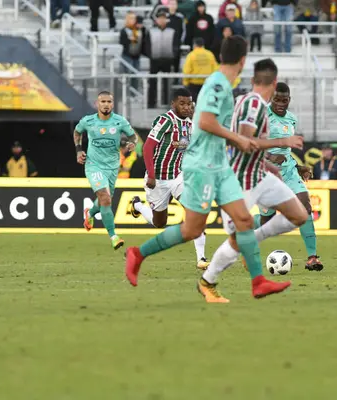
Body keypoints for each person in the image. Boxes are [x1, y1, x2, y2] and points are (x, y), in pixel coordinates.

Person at [125, 36, 291, 301]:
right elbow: (206, 122)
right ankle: (138, 253)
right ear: (243, 59)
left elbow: (224, 127)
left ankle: (258, 281)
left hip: (220, 165)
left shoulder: (223, 85)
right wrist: (240, 139)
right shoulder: (216, 85)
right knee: (191, 229)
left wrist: (262, 159)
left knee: (244, 220)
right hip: (202, 166)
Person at [200, 60, 309, 302]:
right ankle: (208, 281)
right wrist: (284, 142)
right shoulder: (253, 104)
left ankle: (253, 239)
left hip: (260, 174)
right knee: (234, 238)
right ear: (274, 82)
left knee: (300, 215)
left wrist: (270, 166)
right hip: (240, 180)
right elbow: (245, 142)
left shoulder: (251, 103)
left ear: (253, 80)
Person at [129, 88, 209, 270]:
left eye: (189, 103)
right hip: (157, 179)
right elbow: (148, 147)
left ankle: (201, 259)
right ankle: (137, 205)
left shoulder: (191, 124)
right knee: (160, 223)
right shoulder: (165, 121)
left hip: (178, 177)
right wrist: (150, 174)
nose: (186, 107)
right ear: (173, 104)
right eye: (182, 103)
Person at [256, 82, 323, 271]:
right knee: (266, 221)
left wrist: (298, 166)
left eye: (284, 100)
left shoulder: (291, 119)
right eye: (277, 99)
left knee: (305, 207)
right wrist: (269, 156)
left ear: (289, 100)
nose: (280, 104)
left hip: (288, 171)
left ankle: (312, 258)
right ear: (271, 98)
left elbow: (284, 150)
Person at [76, 91, 138, 250]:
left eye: (109, 101)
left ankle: (89, 213)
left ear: (113, 104)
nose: (106, 104)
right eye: (102, 101)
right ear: (97, 104)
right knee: (105, 197)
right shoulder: (88, 121)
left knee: (105, 199)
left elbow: (133, 137)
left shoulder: (120, 121)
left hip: (112, 167)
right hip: (93, 165)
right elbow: (77, 132)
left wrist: (132, 144)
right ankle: (113, 236)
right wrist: (78, 150)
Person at [145, 12, 180, 108]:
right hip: (154, 60)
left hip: (167, 60)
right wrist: (150, 55)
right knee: (152, 82)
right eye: (160, 18)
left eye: (163, 18)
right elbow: (147, 45)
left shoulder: (172, 31)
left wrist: (173, 55)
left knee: (167, 83)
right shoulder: (151, 31)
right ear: (156, 20)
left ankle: (166, 102)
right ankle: (151, 103)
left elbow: (176, 45)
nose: (161, 20)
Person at [119, 12, 144, 77]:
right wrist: (129, 40)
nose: (133, 20)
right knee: (127, 75)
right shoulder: (124, 30)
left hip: (136, 56)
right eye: (131, 18)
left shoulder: (139, 30)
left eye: (134, 18)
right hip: (127, 55)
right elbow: (122, 42)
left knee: (136, 76)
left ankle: (135, 87)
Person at [166, 0, 187, 76]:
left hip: (176, 45)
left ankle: (175, 81)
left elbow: (184, 30)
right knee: (166, 66)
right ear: (168, 5)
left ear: (177, 5)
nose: (172, 6)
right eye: (171, 4)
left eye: (174, 4)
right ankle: (166, 84)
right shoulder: (164, 17)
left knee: (176, 66)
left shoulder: (180, 17)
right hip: (166, 46)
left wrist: (180, 41)